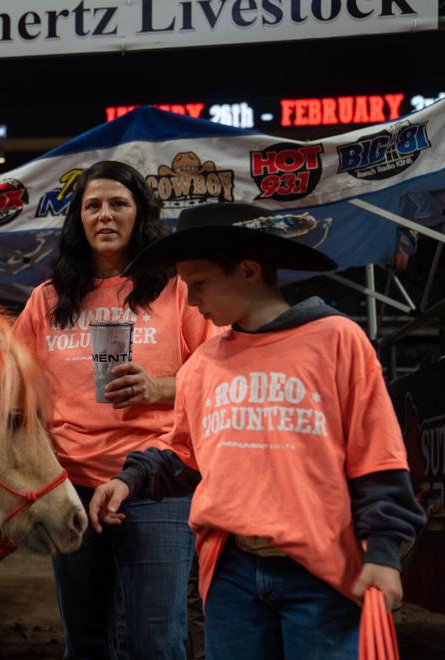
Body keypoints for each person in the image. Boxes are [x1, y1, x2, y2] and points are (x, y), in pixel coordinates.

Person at [89, 202, 426, 659]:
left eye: (199, 283)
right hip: (232, 574)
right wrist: (127, 481)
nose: (191, 299)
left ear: (248, 270)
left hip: (322, 572)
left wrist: (384, 552)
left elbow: (379, 458)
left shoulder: (336, 341)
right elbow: (185, 453)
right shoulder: (203, 366)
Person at [13, 160, 220, 659]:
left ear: (140, 214)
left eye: (118, 204)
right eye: (93, 206)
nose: (105, 215)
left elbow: (219, 378)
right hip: (72, 487)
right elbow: (13, 387)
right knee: (85, 642)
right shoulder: (47, 301)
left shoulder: (179, 292)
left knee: (156, 641)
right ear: (78, 220)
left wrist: (159, 387)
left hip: (156, 483)